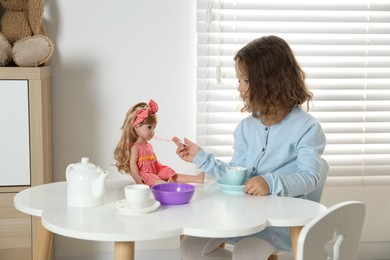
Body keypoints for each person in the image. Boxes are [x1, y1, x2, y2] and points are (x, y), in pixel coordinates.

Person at [172, 35, 326, 259]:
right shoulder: (246, 127)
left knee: (246, 253)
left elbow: (309, 178)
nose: (239, 88)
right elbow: (236, 177)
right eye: (239, 80)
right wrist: (201, 158)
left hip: (276, 225)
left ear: (270, 82)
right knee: (190, 247)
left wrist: (269, 182)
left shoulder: (307, 128)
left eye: (245, 80)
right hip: (240, 218)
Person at [114, 99, 204, 186]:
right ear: (136, 126)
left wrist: (161, 171)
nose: (152, 132)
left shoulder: (148, 145)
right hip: (145, 174)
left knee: (171, 175)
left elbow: (154, 160)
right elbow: (132, 163)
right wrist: (137, 178)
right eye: (149, 127)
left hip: (155, 169)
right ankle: (167, 186)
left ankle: (196, 179)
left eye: (154, 128)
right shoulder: (135, 147)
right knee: (156, 180)